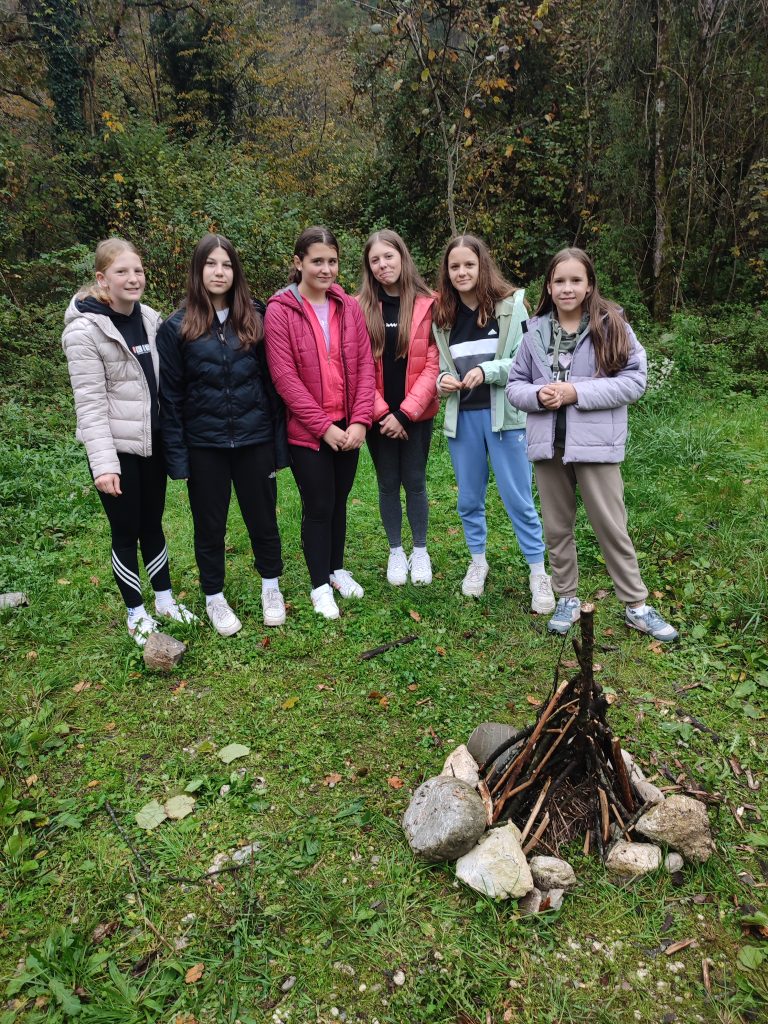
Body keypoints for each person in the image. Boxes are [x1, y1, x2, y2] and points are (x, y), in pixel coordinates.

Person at [506, 246, 679, 641]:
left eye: (575, 280)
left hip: (596, 446)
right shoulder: (534, 332)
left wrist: (575, 392)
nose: (567, 288)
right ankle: (566, 597)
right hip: (548, 447)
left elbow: (634, 381)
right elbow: (515, 385)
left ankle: (636, 605)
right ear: (548, 287)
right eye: (559, 281)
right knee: (556, 528)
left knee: (611, 526)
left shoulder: (612, 325)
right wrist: (537, 396)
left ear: (589, 285)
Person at [61, 238, 196, 645]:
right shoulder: (84, 331)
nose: (133, 278)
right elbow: (89, 404)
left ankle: (165, 600)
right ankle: (136, 613)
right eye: (122, 271)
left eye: (138, 270)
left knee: (153, 523)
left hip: (151, 444)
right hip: (116, 452)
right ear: (102, 279)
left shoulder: (150, 318)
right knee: (126, 529)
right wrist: (104, 464)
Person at [157, 233, 287, 636]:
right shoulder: (176, 327)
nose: (219, 272)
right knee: (209, 526)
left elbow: (273, 386)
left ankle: (271, 587)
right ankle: (214, 596)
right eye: (211, 264)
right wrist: (178, 458)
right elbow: (171, 398)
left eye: (227, 264)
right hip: (205, 446)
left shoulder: (255, 318)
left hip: (254, 439)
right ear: (198, 270)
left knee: (263, 518)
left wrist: (277, 445)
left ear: (236, 271)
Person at [432, 234, 555, 612]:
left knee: (518, 498)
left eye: (469, 264)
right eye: (454, 266)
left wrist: (488, 371)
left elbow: (527, 360)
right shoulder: (443, 316)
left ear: (482, 266)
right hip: (463, 420)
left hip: (506, 419)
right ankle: (478, 561)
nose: (462, 272)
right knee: (469, 498)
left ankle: (538, 572)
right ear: (447, 272)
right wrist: (442, 381)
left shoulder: (512, 307)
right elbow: (440, 367)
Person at [264, 226, 375, 620]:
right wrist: (323, 427)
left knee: (339, 500)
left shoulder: (348, 306)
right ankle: (318, 586)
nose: (326, 269)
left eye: (332, 261)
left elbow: (365, 365)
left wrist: (360, 421)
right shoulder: (280, 310)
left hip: (349, 424)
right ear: (298, 263)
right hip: (309, 431)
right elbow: (285, 379)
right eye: (317, 261)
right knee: (319, 504)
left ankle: (336, 570)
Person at [357, 229, 438, 586]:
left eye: (388, 256)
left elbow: (434, 363)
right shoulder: (358, 307)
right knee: (388, 483)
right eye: (374, 260)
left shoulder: (428, 303)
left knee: (415, 481)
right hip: (378, 417)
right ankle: (395, 551)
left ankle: (420, 551)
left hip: (416, 413)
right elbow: (358, 366)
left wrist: (405, 413)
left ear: (402, 257)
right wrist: (383, 414)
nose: (382, 265)